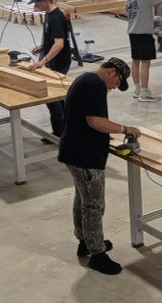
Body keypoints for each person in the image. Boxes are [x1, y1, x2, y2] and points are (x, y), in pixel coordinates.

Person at [58, 57, 141, 275]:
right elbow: (95, 122)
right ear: (112, 72)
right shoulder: (95, 85)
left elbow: (88, 120)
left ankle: (85, 242)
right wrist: (125, 129)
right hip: (85, 156)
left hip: (73, 151)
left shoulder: (84, 78)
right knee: (94, 205)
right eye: (117, 83)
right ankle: (97, 254)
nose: (114, 88)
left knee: (82, 201)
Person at [27, 0, 72, 136]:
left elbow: (59, 43)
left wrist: (43, 61)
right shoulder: (48, 14)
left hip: (58, 63)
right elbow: (53, 38)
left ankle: (59, 135)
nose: (36, 5)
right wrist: (42, 46)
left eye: (38, 2)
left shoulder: (57, 17)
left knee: (53, 99)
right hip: (53, 60)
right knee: (58, 99)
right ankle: (63, 130)